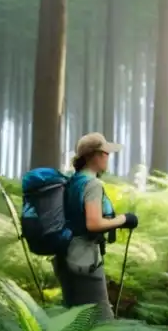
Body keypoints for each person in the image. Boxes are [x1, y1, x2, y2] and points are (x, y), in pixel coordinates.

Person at [56, 133, 139, 319]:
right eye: (106, 153)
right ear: (96, 155)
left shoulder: (72, 181)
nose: (108, 158)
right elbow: (93, 224)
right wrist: (125, 219)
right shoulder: (92, 184)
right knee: (103, 321)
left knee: (76, 319)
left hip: (65, 257)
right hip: (84, 260)